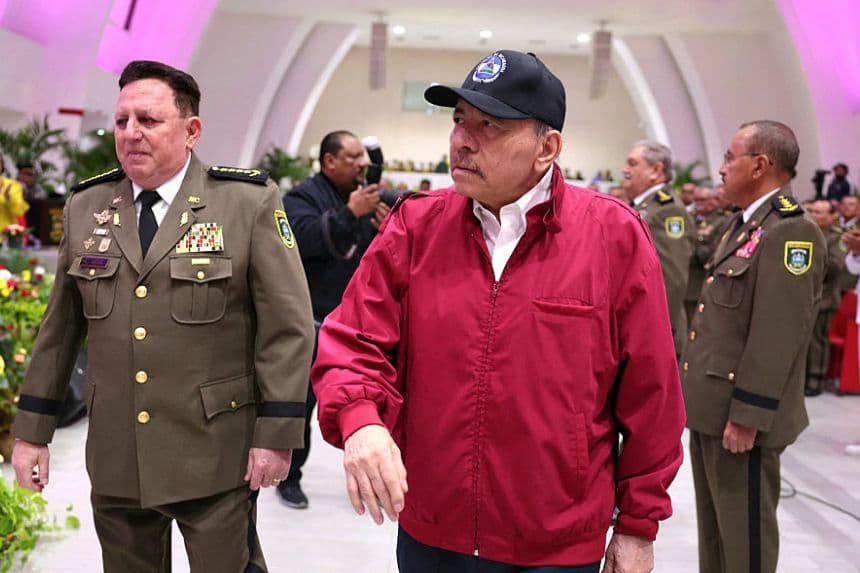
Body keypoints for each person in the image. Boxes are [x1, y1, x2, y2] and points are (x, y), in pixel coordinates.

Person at [313, 49, 685, 572]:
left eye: (490, 124)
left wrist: (638, 526)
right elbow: (353, 338)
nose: (463, 139)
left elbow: (653, 394)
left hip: (555, 542)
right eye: (460, 120)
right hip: (432, 530)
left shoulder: (613, 235)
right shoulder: (416, 227)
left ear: (547, 146)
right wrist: (360, 419)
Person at [11, 60, 315, 572]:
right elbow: (59, 331)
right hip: (117, 451)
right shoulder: (88, 207)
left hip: (216, 450)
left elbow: (287, 328)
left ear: (191, 130)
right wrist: (31, 432)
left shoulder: (244, 202)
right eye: (122, 121)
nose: (130, 133)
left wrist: (276, 435)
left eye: (148, 120)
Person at [681, 120, 825, 573]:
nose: (721, 169)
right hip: (712, 409)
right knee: (716, 538)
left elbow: (777, 334)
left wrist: (748, 415)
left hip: (740, 418)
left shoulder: (790, 232)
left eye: (729, 158)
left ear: (759, 165)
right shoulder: (742, 225)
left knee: (745, 545)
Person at [278, 130, 389, 509]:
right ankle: (289, 477)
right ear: (329, 162)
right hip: (309, 321)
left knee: (361, 401)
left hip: (352, 323)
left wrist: (381, 227)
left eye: (363, 157)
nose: (362, 164)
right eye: (353, 157)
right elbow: (303, 238)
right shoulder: (301, 197)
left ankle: (370, 473)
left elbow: (369, 253)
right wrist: (349, 214)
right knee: (301, 403)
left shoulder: (361, 198)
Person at [622, 140, 694, 357]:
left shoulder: (668, 210)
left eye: (633, 164)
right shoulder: (643, 206)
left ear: (656, 170)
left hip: (654, 330)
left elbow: (672, 278)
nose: (625, 170)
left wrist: (658, 331)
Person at [804, 200, 845, 396]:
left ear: (832, 216)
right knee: (804, 340)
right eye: (811, 210)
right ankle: (803, 378)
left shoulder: (836, 238)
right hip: (805, 297)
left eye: (819, 212)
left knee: (816, 340)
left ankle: (815, 379)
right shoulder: (806, 232)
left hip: (825, 298)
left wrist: (817, 257)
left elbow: (837, 266)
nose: (813, 215)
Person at [685, 186, 730, 324]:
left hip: (701, 282)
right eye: (696, 200)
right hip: (685, 282)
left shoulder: (723, 221)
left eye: (702, 200)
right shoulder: (690, 218)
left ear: (715, 200)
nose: (698, 204)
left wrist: (688, 250)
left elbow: (712, 252)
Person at [0, 156, 29, 232]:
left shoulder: (13, 185)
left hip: (5, 235)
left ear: (2, 166)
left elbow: (19, 212)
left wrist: (8, 198)